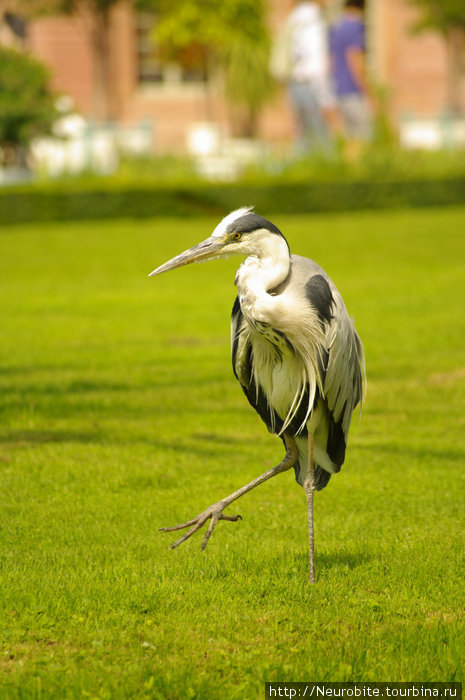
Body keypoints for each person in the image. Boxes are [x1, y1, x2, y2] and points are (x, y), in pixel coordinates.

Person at [271, 0, 336, 153]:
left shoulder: (295, 16)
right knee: (323, 144)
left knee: (303, 139)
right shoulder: (313, 19)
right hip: (310, 85)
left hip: (295, 83)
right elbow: (316, 63)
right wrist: (326, 97)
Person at [329, 0, 374, 145]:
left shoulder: (336, 27)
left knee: (349, 139)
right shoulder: (355, 26)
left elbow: (331, 60)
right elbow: (355, 58)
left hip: (338, 89)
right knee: (365, 136)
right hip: (353, 90)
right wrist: (367, 91)